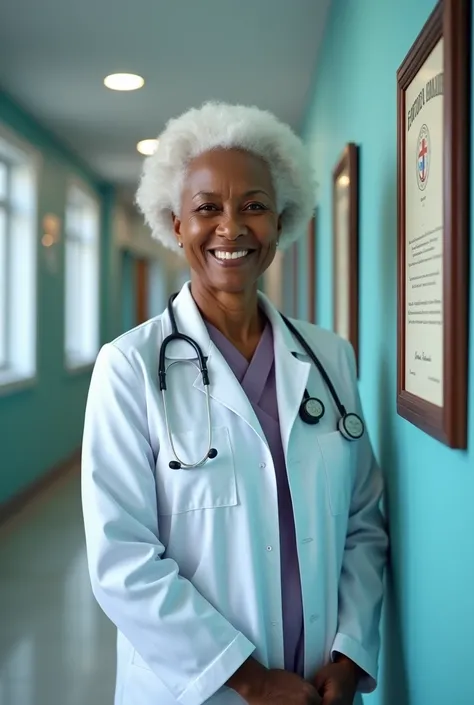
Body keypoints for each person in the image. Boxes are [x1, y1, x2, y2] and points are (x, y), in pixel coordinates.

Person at [81, 101, 388, 705]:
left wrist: (351, 651)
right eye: (206, 209)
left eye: (254, 206)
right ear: (175, 225)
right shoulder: (129, 368)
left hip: (320, 683)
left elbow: (363, 522)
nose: (231, 228)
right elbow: (122, 559)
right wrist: (247, 680)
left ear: (281, 220)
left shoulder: (329, 358)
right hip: (199, 688)